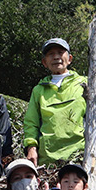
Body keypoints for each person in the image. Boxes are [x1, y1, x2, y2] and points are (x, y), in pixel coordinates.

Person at [23, 38, 86, 167]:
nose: (56, 57)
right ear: (44, 62)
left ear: (70, 58)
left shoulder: (84, 83)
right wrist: (31, 147)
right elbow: (31, 122)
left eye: (60, 52)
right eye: (51, 54)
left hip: (79, 155)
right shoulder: (39, 90)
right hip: (47, 161)